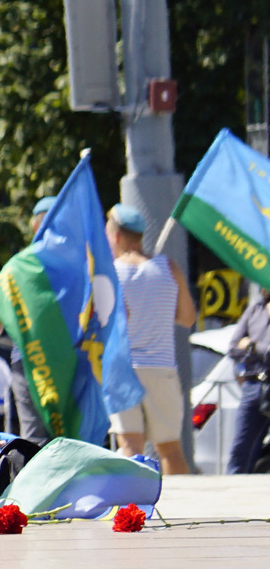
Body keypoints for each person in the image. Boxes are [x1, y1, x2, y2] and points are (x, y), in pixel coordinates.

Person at [104, 203, 195, 474]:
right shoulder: (168, 267)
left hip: (123, 369)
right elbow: (188, 318)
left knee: (131, 446)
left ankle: (133, 512)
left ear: (116, 236)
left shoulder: (112, 272)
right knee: (170, 449)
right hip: (162, 367)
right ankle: (187, 508)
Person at [0, 193, 58, 441]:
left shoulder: (20, 266)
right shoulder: (82, 264)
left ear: (35, 226)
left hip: (31, 361)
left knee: (35, 438)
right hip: (75, 358)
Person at [228, 287, 270, 474]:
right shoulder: (255, 309)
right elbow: (233, 348)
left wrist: (251, 346)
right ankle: (232, 495)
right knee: (241, 449)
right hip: (253, 385)